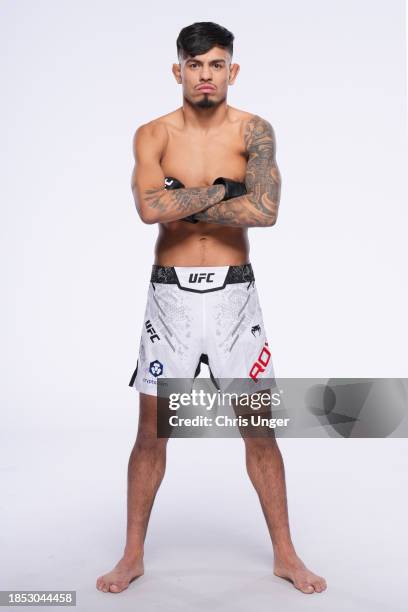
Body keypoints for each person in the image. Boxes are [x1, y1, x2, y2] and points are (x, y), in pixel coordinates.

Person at [96, 21, 327, 595]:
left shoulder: (255, 130)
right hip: (169, 299)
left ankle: (286, 554)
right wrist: (229, 190)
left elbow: (268, 210)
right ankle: (131, 556)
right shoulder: (152, 134)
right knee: (151, 433)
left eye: (216, 65)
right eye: (195, 65)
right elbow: (151, 210)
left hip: (234, 296)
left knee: (260, 432)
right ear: (178, 70)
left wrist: (188, 201)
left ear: (233, 70)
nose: (206, 75)